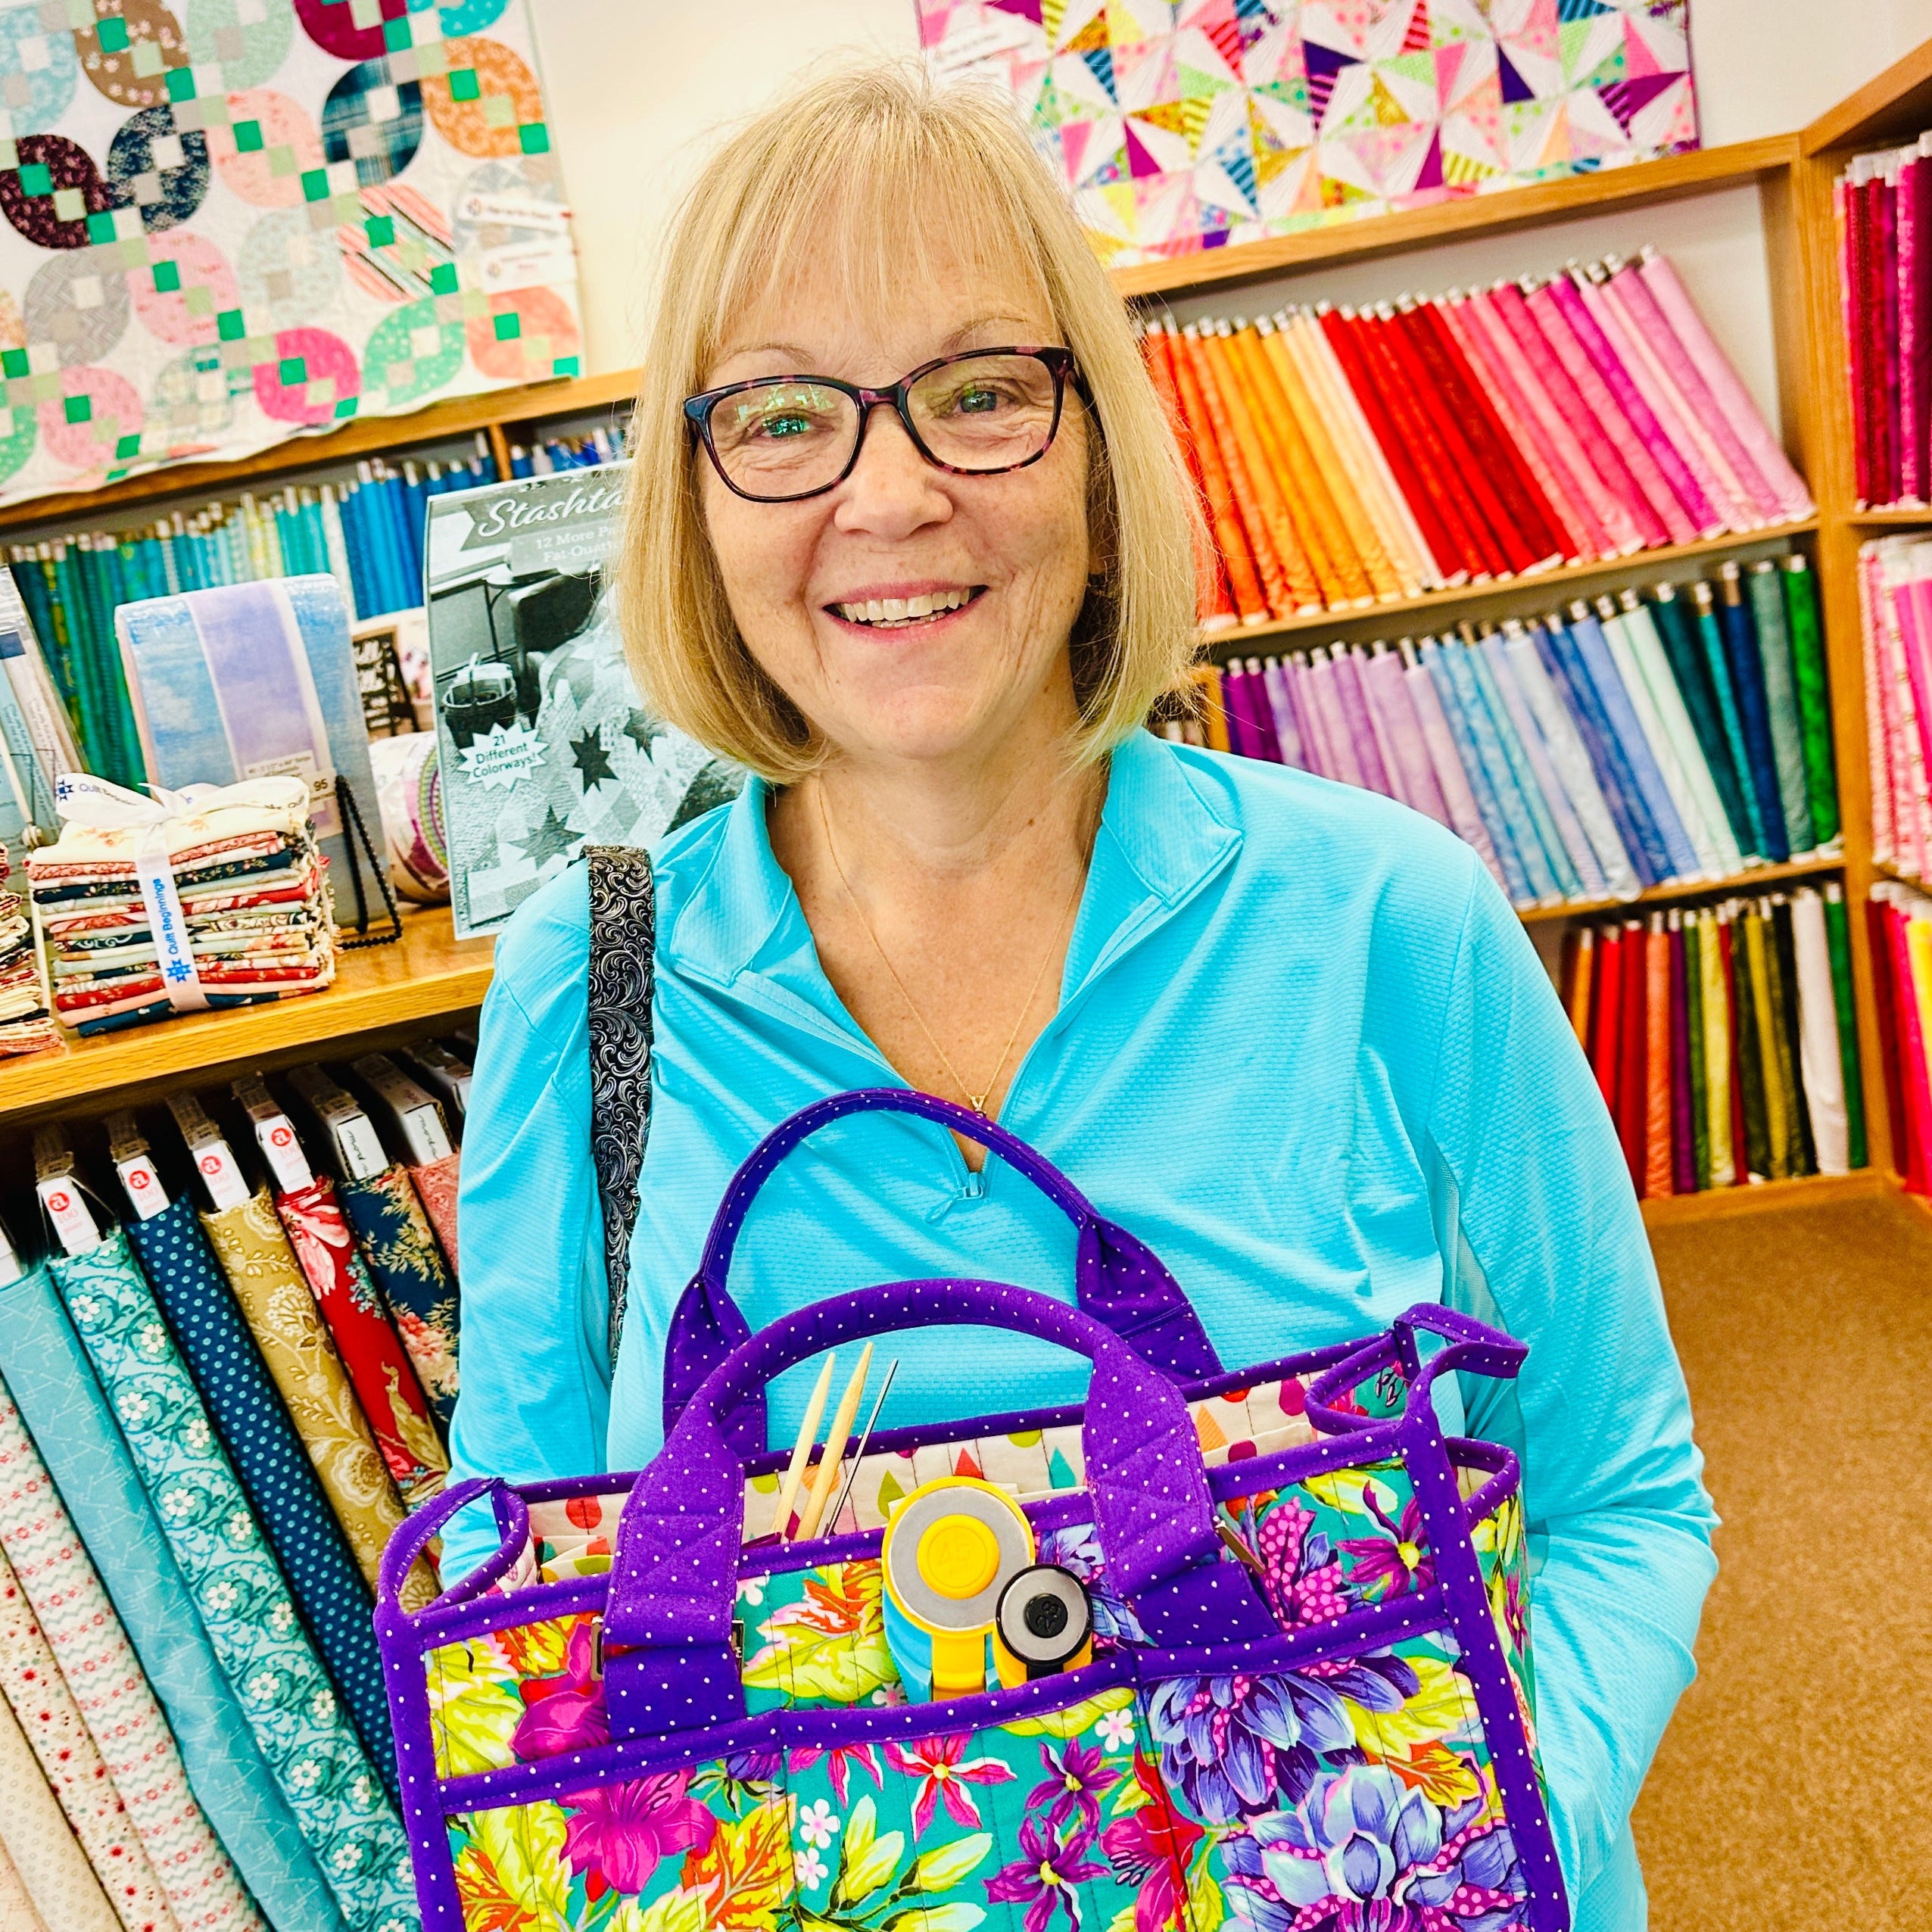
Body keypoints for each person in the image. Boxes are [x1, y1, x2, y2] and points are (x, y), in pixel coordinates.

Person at [449, 60, 1714, 1928]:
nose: (889, 495)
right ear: (696, 502)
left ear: (1100, 463)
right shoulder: (587, 984)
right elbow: (523, 1589)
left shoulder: (1386, 921)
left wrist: (1480, 1831)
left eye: (979, 393)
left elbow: (1620, 1492)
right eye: (787, 417)